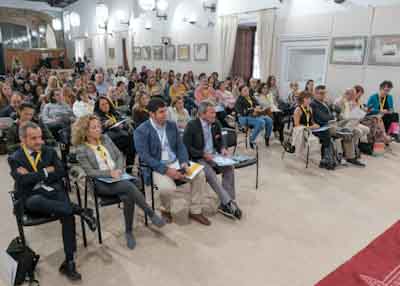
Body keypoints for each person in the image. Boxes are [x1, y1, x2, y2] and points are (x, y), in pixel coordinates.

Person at [8, 122, 96, 281]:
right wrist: (45, 171)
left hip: (53, 192)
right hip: (31, 198)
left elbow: (61, 171)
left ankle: (69, 262)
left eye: (40, 137)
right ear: (23, 139)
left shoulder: (48, 151)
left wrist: (33, 175)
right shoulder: (15, 158)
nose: (39, 141)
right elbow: (21, 181)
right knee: (37, 201)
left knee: (66, 215)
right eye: (33, 138)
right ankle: (79, 210)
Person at [73, 115, 165, 249]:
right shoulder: (81, 149)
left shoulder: (105, 139)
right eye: (94, 127)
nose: (99, 129)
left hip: (118, 176)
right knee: (130, 186)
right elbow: (90, 172)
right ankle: (150, 213)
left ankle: (128, 231)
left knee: (128, 195)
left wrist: (119, 169)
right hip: (100, 183)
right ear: (85, 131)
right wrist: (109, 173)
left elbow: (118, 155)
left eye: (99, 126)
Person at [134, 98, 216, 226]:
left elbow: (180, 146)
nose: (165, 114)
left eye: (165, 111)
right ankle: (165, 209)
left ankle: (195, 210)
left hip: (175, 162)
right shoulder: (141, 130)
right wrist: (167, 171)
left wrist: (184, 162)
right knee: (167, 189)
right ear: (151, 114)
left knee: (200, 175)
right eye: (161, 112)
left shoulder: (171, 125)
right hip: (157, 166)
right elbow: (145, 157)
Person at [183, 101, 242, 220]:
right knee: (210, 174)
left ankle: (225, 202)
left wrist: (223, 148)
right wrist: (203, 154)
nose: (215, 115)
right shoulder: (192, 125)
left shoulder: (215, 123)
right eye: (212, 112)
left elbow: (222, 138)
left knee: (229, 168)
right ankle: (228, 203)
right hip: (198, 157)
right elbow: (187, 147)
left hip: (214, 155)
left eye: (214, 112)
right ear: (202, 114)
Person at [311, 85, 365, 167]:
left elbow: (338, 111)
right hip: (325, 126)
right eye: (321, 93)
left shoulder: (325, 102)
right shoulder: (314, 104)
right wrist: (334, 116)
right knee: (348, 132)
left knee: (353, 122)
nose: (323, 95)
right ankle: (348, 156)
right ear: (315, 93)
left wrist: (336, 113)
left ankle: (351, 157)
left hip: (335, 123)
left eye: (324, 93)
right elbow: (323, 118)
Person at [94, 96, 135, 170]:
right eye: (102, 104)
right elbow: (97, 130)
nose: (106, 106)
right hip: (108, 139)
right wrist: (105, 125)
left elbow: (123, 121)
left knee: (132, 140)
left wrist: (124, 125)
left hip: (121, 136)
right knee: (129, 140)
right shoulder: (96, 116)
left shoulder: (114, 113)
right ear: (98, 107)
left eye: (107, 103)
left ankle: (129, 168)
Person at [292, 91, 321, 158]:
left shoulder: (310, 108)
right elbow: (296, 125)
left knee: (324, 132)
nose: (309, 100)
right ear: (302, 99)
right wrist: (311, 127)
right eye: (306, 98)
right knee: (307, 134)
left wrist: (315, 124)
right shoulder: (298, 109)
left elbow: (311, 121)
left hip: (308, 129)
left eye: (309, 98)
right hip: (300, 130)